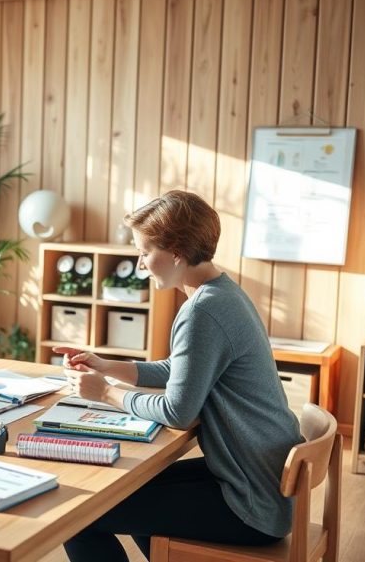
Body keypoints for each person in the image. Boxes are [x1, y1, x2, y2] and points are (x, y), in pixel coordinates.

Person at [57, 190, 303, 562]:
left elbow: (178, 411)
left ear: (175, 252)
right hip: (259, 481)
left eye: (144, 253)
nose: (140, 265)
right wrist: (108, 366)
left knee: (79, 516)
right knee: (128, 490)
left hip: (250, 501)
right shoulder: (224, 292)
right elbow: (180, 371)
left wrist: (106, 393)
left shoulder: (203, 310)